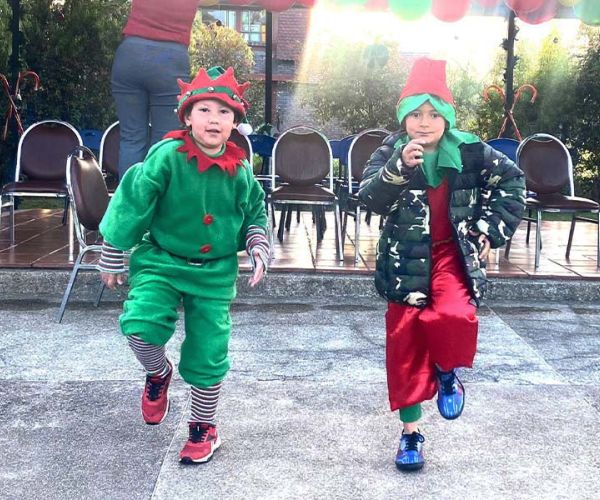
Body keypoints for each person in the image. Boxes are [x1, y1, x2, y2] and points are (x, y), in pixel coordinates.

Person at [358, 58, 525, 472]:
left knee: (455, 314)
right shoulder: (391, 151)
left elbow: (512, 181)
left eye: (434, 114)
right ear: (404, 117)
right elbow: (368, 198)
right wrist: (399, 168)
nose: (425, 122)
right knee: (405, 349)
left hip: (452, 254)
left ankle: (447, 370)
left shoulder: (470, 150)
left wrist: (489, 229)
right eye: (415, 113)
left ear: (447, 117)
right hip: (404, 263)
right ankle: (411, 434)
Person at [97, 66, 270, 464]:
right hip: (161, 260)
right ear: (188, 116)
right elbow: (134, 198)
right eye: (204, 109)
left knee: (208, 351)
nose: (214, 119)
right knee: (140, 326)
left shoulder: (241, 169)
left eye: (224, 112)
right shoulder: (167, 156)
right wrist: (113, 248)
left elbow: (254, 212)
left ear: (235, 123)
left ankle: (203, 427)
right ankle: (158, 373)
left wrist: (258, 243)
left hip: (214, 272)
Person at [111, 0, 201, 179]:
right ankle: (156, 195)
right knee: (164, 140)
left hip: (130, 53)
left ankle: (129, 196)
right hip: (170, 59)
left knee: (131, 138)